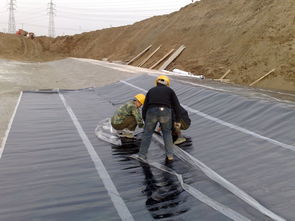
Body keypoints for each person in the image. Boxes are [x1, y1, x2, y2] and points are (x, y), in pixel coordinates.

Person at [138, 75, 182, 161]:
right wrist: (177, 120)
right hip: (165, 112)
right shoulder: (170, 91)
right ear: (167, 83)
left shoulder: (151, 91)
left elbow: (145, 107)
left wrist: (145, 119)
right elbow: (177, 106)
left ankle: (142, 155)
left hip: (151, 112)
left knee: (147, 134)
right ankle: (170, 156)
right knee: (167, 133)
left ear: (157, 82)